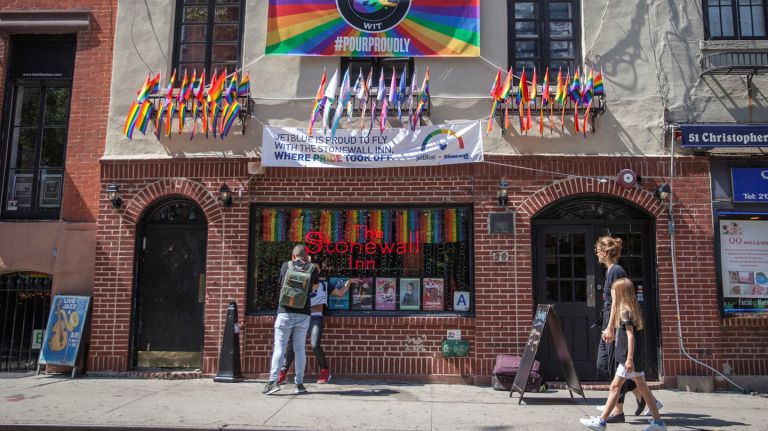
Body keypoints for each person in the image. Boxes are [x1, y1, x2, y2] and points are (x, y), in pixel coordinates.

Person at [580, 278, 666, 431]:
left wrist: (629, 359)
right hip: (629, 358)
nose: (611, 295)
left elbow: (631, 337)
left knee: (615, 387)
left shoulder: (625, 311)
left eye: (613, 292)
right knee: (643, 389)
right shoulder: (629, 309)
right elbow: (626, 337)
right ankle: (658, 423)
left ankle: (601, 422)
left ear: (620, 293)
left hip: (627, 359)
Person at [262, 244, 319, 395]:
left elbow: (282, 284)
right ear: (306, 256)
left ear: (293, 256)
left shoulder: (286, 266)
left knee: (279, 347)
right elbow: (315, 288)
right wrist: (310, 264)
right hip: (304, 314)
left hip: (285, 312)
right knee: (299, 348)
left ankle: (273, 382)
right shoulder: (312, 268)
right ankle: (299, 384)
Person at [278, 257, 332, 385]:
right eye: (311, 267)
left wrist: (349, 282)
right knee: (292, 346)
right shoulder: (301, 280)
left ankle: (324, 370)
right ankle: (283, 372)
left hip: (315, 317)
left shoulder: (324, 284)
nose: (314, 270)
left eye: (316, 268)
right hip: (302, 315)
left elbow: (340, 293)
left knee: (314, 344)